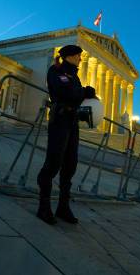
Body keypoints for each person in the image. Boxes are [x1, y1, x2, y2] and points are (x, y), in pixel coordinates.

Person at [36, 45, 96, 225]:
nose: (80, 58)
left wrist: (85, 96)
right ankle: (43, 206)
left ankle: (63, 207)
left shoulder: (74, 76)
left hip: (72, 122)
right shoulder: (56, 70)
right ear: (69, 56)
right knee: (53, 163)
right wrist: (84, 92)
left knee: (70, 164)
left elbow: (76, 95)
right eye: (78, 55)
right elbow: (66, 92)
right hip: (59, 120)